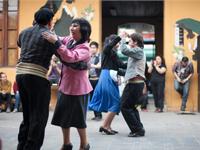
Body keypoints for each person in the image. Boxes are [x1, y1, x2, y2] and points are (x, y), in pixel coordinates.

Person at [42, 18, 92, 150]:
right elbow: (58, 38)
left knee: (79, 120)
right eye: (72, 25)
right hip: (65, 86)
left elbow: (70, 56)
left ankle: (84, 144)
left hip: (78, 89)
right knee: (63, 117)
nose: (71, 27)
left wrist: (57, 43)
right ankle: (66, 143)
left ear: (83, 30)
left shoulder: (85, 47)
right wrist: (49, 31)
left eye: (75, 26)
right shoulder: (69, 40)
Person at [16, 8, 58, 150]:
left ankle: (21, 145)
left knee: (27, 114)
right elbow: (61, 52)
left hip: (20, 75)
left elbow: (20, 44)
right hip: (37, 76)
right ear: (50, 21)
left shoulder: (24, 32)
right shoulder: (49, 36)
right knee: (38, 117)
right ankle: (31, 147)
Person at [89, 34, 127, 135]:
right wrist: (120, 37)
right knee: (116, 103)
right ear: (111, 41)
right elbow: (109, 46)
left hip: (110, 77)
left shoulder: (113, 53)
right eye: (116, 42)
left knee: (114, 103)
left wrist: (132, 63)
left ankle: (107, 126)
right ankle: (104, 125)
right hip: (107, 77)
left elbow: (121, 65)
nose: (118, 44)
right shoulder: (106, 50)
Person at [119, 32, 146, 137]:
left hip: (134, 84)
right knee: (130, 107)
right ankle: (139, 127)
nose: (128, 42)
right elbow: (130, 69)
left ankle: (138, 129)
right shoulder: (137, 52)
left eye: (130, 40)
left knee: (124, 106)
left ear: (135, 42)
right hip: (134, 83)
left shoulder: (138, 51)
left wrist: (122, 38)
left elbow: (124, 50)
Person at [88, 41, 102, 121]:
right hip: (90, 79)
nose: (92, 49)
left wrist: (90, 65)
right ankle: (96, 114)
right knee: (92, 98)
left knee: (97, 97)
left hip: (97, 79)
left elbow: (99, 66)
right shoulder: (88, 57)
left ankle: (99, 115)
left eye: (94, 47)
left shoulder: (100, 56)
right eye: (91, 47)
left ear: (97, 49)